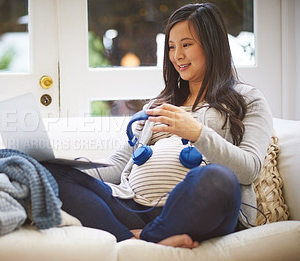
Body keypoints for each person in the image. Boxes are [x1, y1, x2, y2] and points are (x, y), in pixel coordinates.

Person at [42, 2, 272, 248]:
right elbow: (120, 164)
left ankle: (145, 240)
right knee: (47, 172)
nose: (177, 56)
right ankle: (132, 238)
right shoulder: (157, 105)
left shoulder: (248, 99)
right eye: (172, 47)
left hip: (199, 207)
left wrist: (197, 133)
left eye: (186, 45)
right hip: (132, 207)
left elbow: (249, 169)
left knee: (217, 179)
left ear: (212, 45)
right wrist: (74, 168)